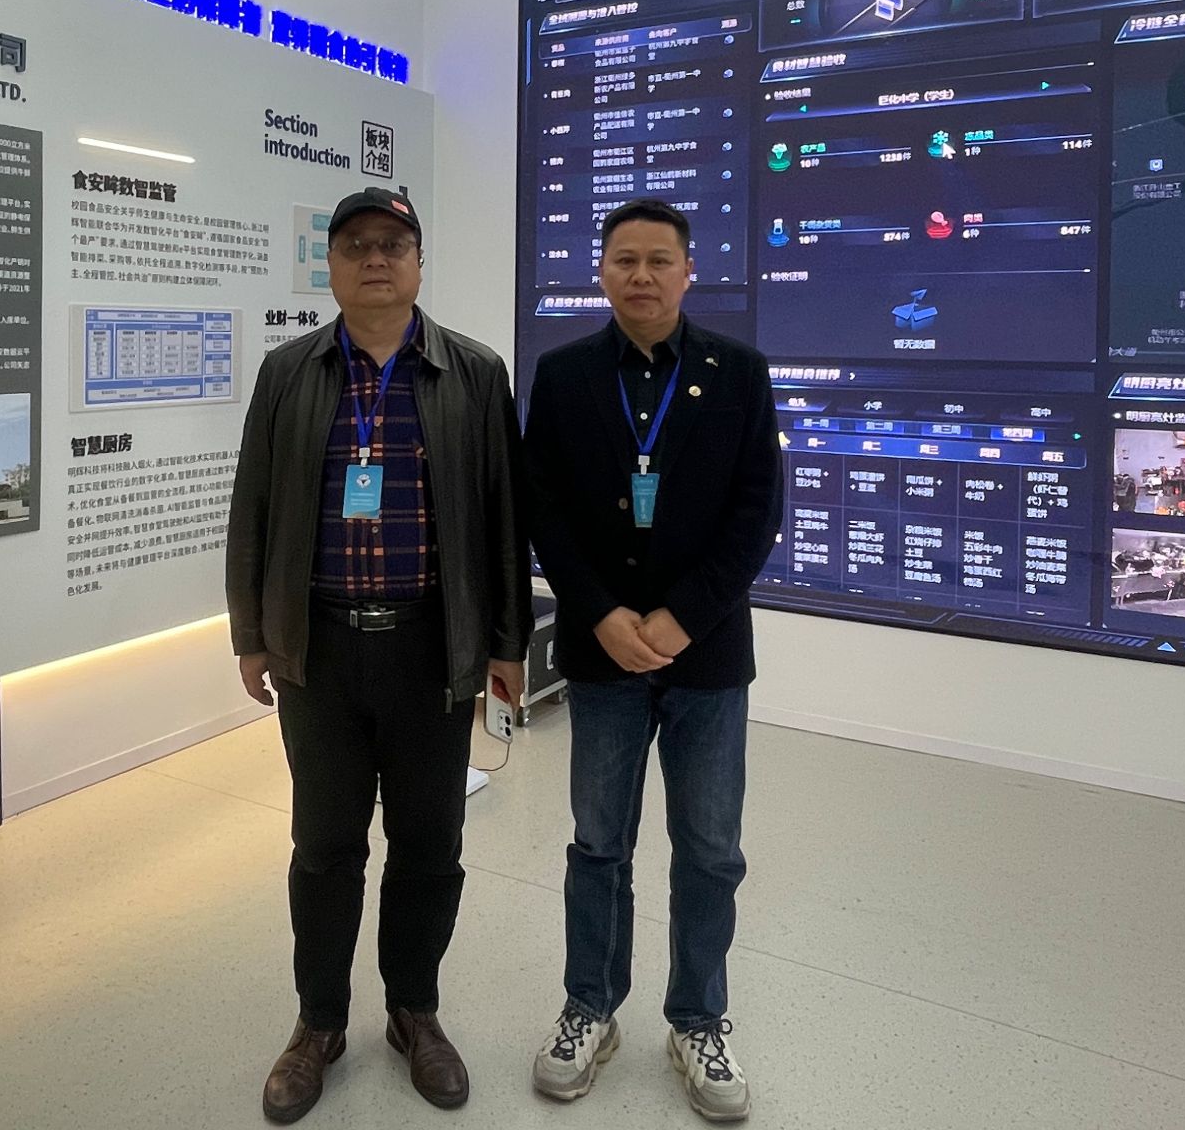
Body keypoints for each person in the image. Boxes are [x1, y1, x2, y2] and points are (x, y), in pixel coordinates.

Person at [226, 185, 530, 1124]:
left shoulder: (474, 373)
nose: (374, 259)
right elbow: (253, 508)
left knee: (430, 845)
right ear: (330, 266)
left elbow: (503, 517)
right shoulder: (288, 372)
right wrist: (250, 634)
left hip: (431, 648)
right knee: (324, 848)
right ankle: (319, 1023)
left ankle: (413, 1012)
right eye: (355, 245)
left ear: (419, 263)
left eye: (393, 245)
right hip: (318, 651)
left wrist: (507, 643)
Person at [521, 198, 783, 1122]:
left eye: (658, 260)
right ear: (601, 271)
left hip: (706, 657)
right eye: (624, 259)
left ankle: (697, 1019)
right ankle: (590, 1008)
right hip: (602, 659)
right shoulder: (564, 374)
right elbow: (543, 506)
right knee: (599, 843)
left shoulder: (739, 372)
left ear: (687, 271)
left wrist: (681, 618)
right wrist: (600, 614)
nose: (641, 275)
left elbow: (758, 511)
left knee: (709, 850)